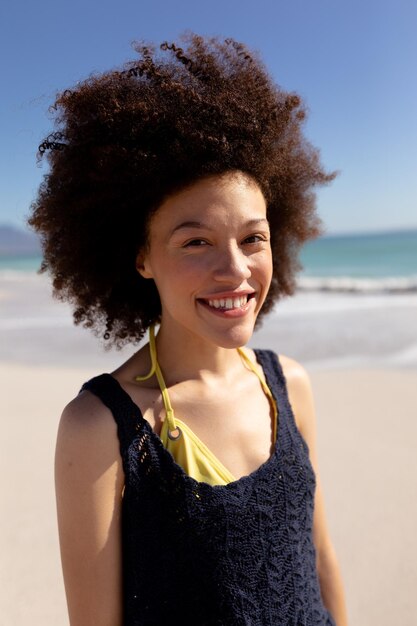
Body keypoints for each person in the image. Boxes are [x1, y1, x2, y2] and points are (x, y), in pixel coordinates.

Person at [29, 33, 348, 625]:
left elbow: (321, 560)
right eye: (195, 241)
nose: (234, 270)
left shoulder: (289, 385)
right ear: (141, 258)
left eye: (253, 238)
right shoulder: (102, 426)